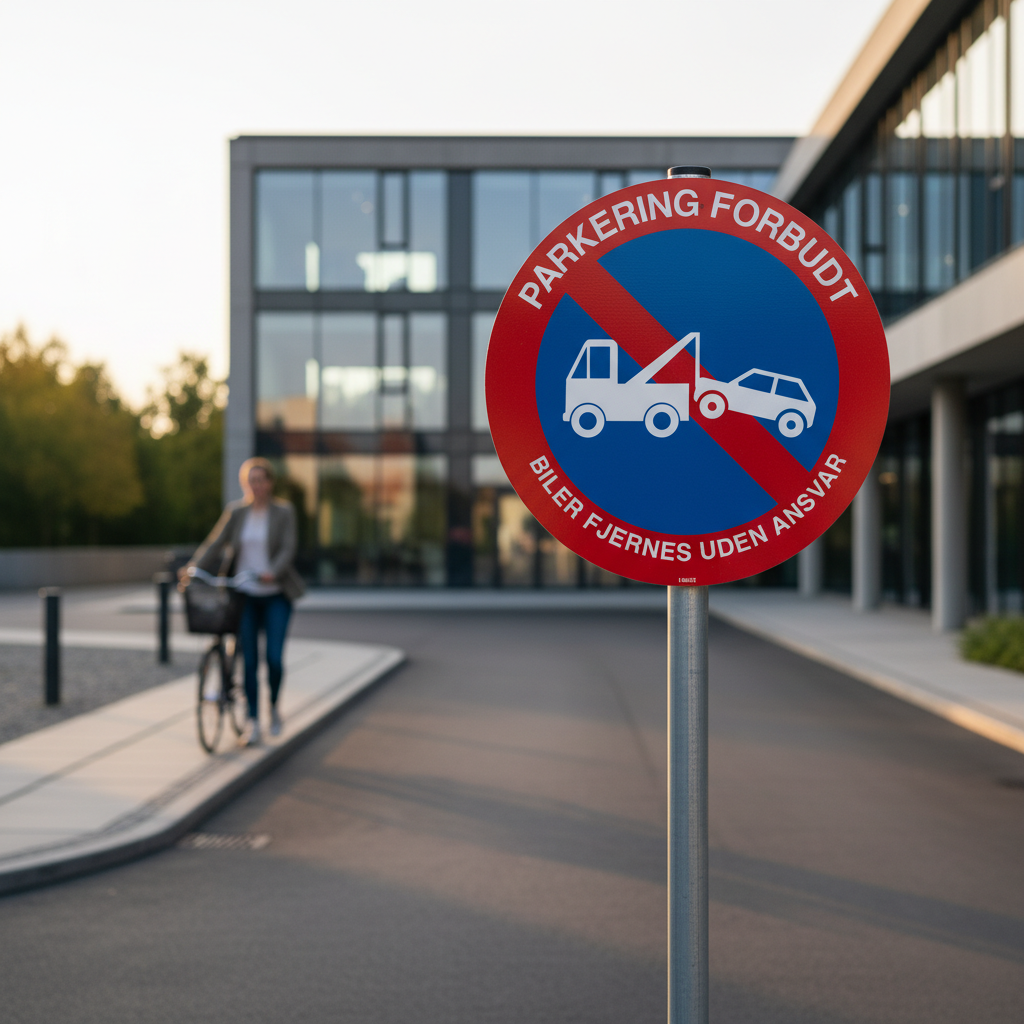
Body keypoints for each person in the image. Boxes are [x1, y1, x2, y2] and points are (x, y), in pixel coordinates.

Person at [186, 457, 306, 745]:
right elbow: (216, 543)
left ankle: (274, 707)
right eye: (251, 480)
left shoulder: (283, 512)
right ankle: (252, 720)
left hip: (276, 593)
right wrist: (192, 568)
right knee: (249, 660)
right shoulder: (236, 513)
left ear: (270, 482)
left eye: (261, 480)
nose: (257, 485)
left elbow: (289, 547)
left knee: (274, 659)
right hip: (244, 596)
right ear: (245, 484)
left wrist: (271, 572)